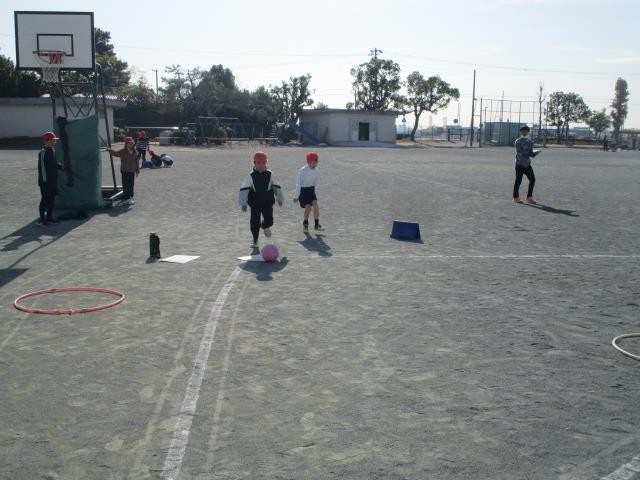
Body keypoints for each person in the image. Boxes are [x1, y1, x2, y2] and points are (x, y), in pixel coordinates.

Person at [238, 151, 284, 248]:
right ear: (254, 163)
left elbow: (276, 187)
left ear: (266, 163)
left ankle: (265, 226)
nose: (261, 165)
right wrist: (243, 204)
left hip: (267, 202)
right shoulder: (250, 176)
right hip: (255, 203)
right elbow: (244, 189)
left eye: (263, 163)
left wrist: (279, 199)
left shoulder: (270, 174)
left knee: (270, 220)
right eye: (258, 163)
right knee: (254, 222)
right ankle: (255, 239)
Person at [37, 131, 64, 225]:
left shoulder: (53, 151)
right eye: (52, 140)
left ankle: (49, 217)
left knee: (52, 199)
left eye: (54, 140)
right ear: (46, 141)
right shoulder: (42, 153)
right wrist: (45, 181)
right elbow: (43, 168)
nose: (54, 142)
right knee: (45, 199)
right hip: (45, 182)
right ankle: (42, 219)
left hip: (52, 180)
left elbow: (54, 164)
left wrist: (60, 166)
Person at [293, 151, 323, 232]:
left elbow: (315, 183)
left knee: (316, 206)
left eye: (316, 162)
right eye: (312, 162)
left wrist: (314, 192)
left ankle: (317, 224)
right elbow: (298, 184)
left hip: (311, 190)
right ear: (308, 162)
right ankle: (305, 223)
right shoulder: (302, 170)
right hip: (303, 191)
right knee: (308, 208)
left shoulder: (317, 171)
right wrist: (296, 196)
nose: (314, 164)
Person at [109, 137, 140, 205]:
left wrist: (137, 171)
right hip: (125, 170)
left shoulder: (135, 152)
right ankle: (126, 198)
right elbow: (115, 153)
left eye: (132, 143)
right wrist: (110, 150)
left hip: (132, 171)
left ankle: (130, 197)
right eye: (129, 143)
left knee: (131, 184)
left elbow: (137, 162)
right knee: (126, 184)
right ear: (126, 144)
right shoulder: (122, 151)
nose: (131, 144)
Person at [513, 125, 539, 204]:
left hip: (527, 164)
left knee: (532, 179)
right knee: (518, 180)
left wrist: (536, 153)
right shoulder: (518, 141)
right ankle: (516, 197)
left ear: (528, 132)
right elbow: (520, 152)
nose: (525, 132)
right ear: (521, 132)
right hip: (519, 164)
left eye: (526, 131)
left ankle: (529, 197)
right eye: (523, 131)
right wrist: (529, 153)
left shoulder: (530, 141)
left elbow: (531, 154)